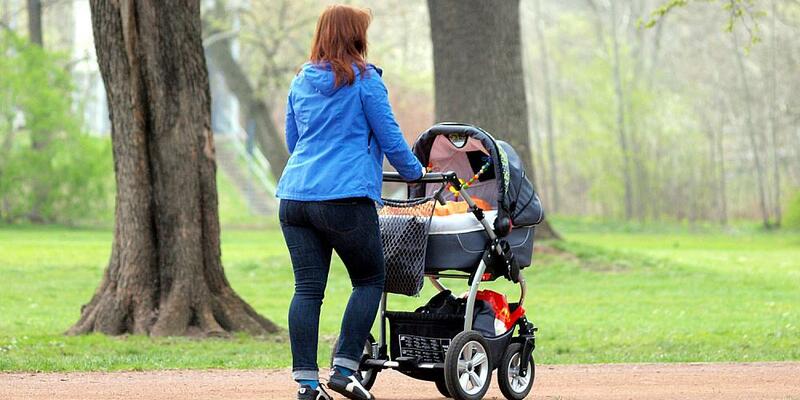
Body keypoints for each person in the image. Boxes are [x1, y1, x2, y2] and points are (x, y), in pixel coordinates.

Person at [275, 4, 424, 400]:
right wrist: (416, 174)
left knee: (307, 290)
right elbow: (392, 140)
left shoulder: (301, 80)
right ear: (356, 36)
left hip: (294, 197)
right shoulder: (365, 81)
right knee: (370, 279)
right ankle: (344, 368)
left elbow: (295, 142)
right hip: (343, 197)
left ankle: (307, 385)